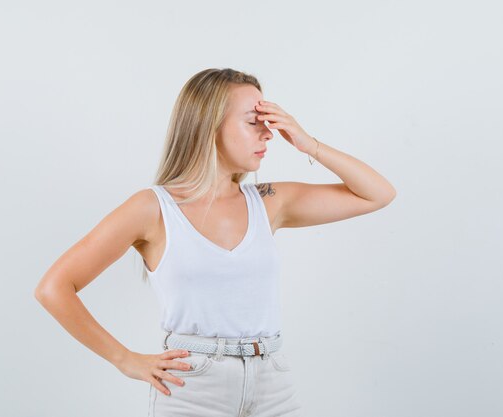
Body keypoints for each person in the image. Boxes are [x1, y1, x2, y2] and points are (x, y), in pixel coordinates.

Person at [34, 68, 396, 416]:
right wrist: (125, 359)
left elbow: (377, 194)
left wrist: (308, 144)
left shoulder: (269, 201)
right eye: (254, 123)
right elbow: (54, 287)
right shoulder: (153, 208)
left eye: (268, 122)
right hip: (193, 388)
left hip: (272, 384)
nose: (268, 134)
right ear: (209, 126)